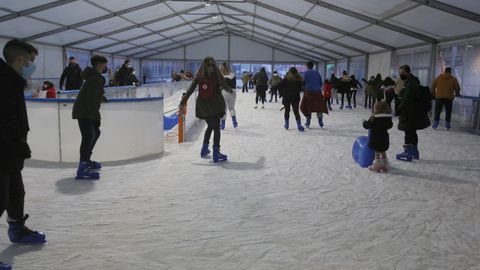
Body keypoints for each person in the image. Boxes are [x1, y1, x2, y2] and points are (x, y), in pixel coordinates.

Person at [0, 40, 47, 270]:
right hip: (3, 149)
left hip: (10, 149)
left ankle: (17, 229)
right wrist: (17, 141)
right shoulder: (4, 81)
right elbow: (4, 116)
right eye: (31, 61)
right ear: (20, 60)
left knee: (16, 192)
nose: (32, 66)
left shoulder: (13, 80)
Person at [179, 57, 233, 163]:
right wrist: (231, 91)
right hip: (216, 105)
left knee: (210, 126)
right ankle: (216, 153)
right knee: (216, 127)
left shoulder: (199, 75)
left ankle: (204, 149)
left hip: (203, 105)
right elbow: (224, 85)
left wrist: (182, 102)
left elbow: (190, 89)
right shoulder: (217, 75)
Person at [72, 55, 108, 179]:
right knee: (88, 136)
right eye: (104, 64)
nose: (105, 67)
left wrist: (101, 97)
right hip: (84, 112)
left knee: (95, 133)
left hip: (83, 110)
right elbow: (90, 99)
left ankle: (86, 160)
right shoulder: (97, 79)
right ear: (99, 65)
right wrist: (96, 117)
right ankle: (82, 167)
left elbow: (92, 93)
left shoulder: (93, 77)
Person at [396, 65, 431, 161]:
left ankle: (408, 152)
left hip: (410, 112)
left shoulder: (410, 83)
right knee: (412, 131)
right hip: (414, 112)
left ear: (407, 72)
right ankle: (414, 151)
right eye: (399, 73)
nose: (400, 75)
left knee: (408, 131)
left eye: (402, 73)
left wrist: (399, 108)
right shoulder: (412, 82)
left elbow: (407, 98)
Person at [271, 67, 305, 132]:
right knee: (296, 111)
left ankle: (286, 124)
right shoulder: (298, 80)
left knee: (287, 111)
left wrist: (272, 88)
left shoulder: (286, 79)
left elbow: (279, 85)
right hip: (295, 97)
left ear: (289, 72)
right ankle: (299, 125)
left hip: (287, 97)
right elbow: (301, 88)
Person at [363, 101, 393, 172]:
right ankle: (385, 164)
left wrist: (364, 122)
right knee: (383, 151)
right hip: (384, 139)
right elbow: (390, 125)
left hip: (375, 139)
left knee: (377, 152)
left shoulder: (374, 118)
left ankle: (376, 165)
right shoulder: (387, 119)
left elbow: (367, 125)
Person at [300, 61, 328, 128]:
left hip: (308, 92)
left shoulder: (305, 73)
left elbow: (303, 82)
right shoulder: (317, 73)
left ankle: (308, 122)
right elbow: (321, 83)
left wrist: (303, 87)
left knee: (308, 106)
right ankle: (320, 122)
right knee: (319, 107)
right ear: (313, 66)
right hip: (317, 92)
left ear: (307, 66)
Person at [220, 62, 238, 129]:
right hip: (233, 92)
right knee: (231, 108)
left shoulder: (221, 76)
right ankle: (234, 121)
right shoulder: (233, 75)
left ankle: (222, 125)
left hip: (224, 92)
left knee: (223, 109)